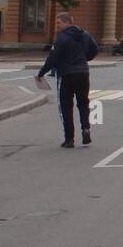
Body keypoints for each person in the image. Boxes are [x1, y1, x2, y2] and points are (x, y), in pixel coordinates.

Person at [35, 12, 99, 148]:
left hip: (66, 74)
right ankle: (86, 128)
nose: (56, 26)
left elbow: (53, 57)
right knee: (83, 103)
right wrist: (85, 59)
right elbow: (95, 49)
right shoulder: (85, 34)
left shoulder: (62, 37)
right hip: (83, 73)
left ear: (67, 22)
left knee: (65, 106)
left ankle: (69, 139)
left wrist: (42, 72)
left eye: (58, 23)